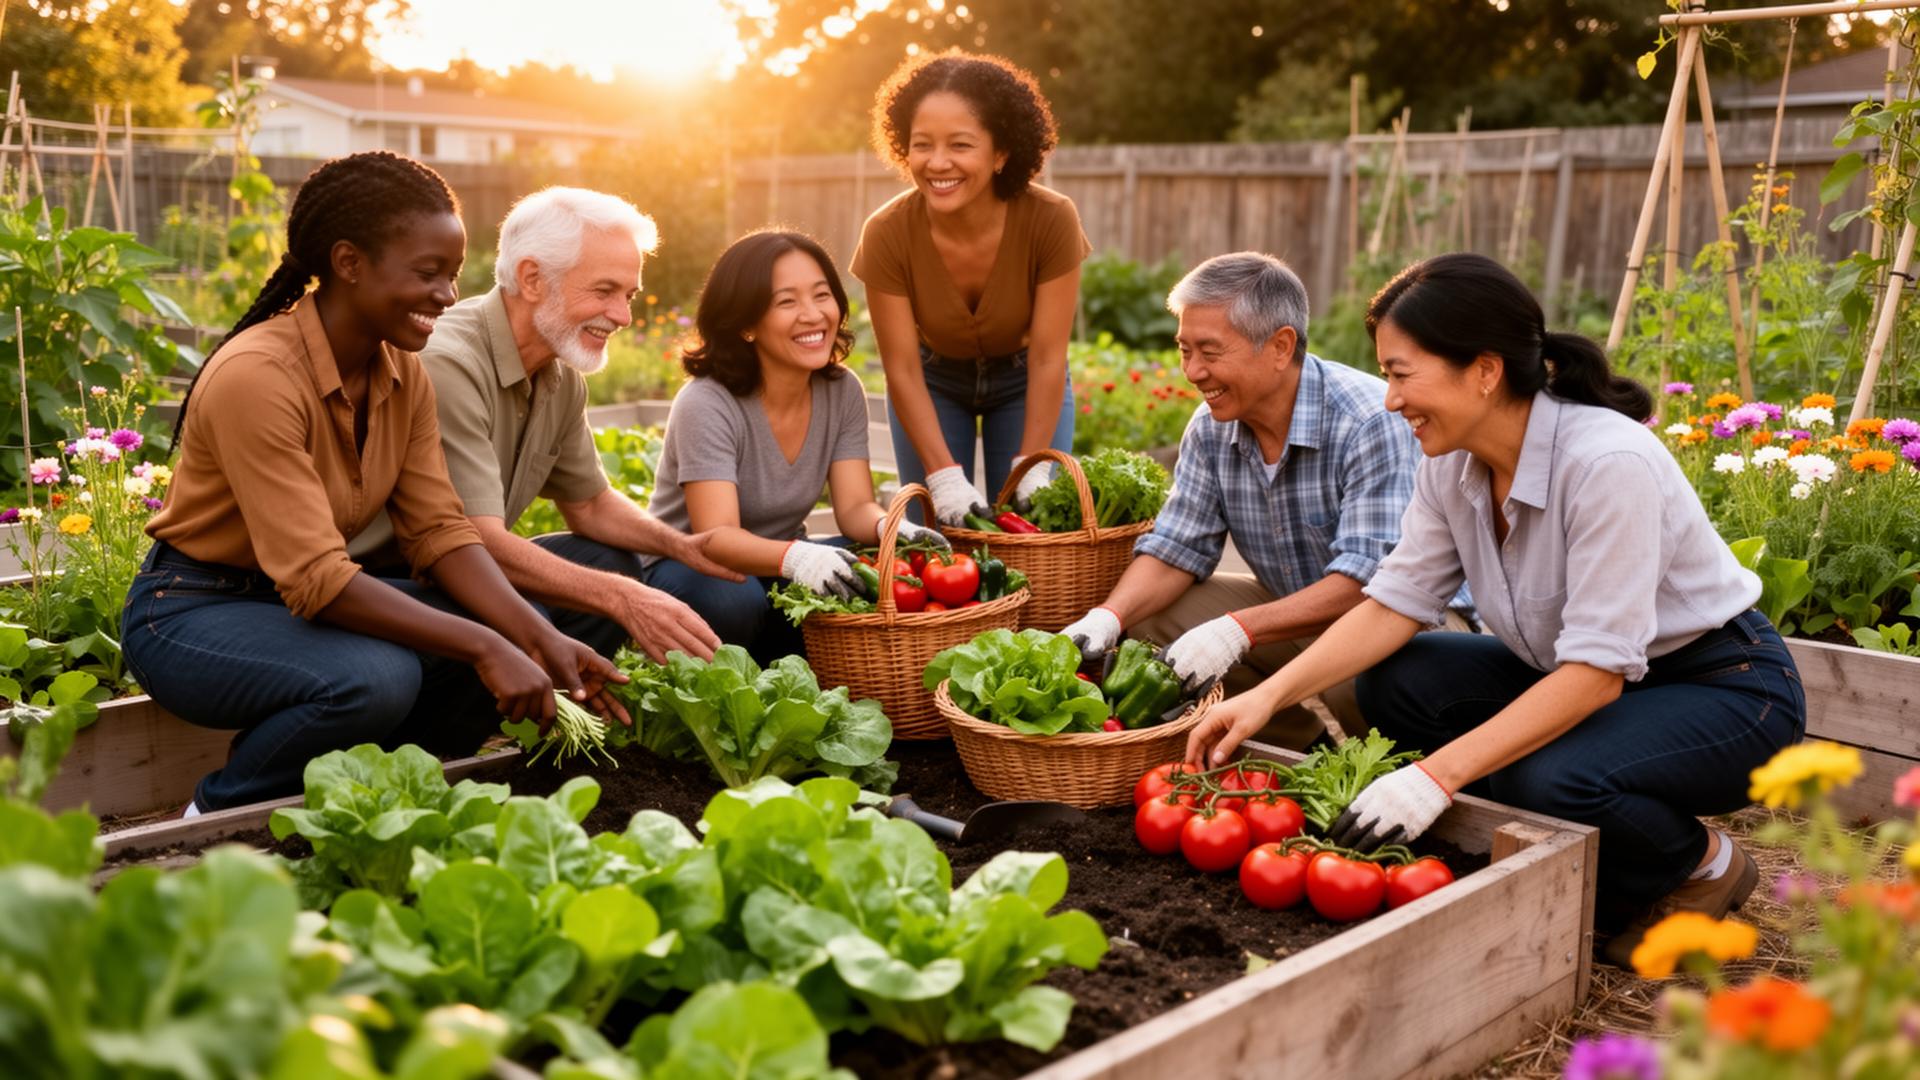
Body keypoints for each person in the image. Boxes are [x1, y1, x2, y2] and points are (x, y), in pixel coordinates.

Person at [1186, 253, 1803, 963]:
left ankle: (1698, 862)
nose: (1390, 400)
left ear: (1483, 370)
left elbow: (1597, 674)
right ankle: (1554, 847)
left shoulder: (1607, 465)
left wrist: (1433, 776)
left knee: (1547, 777)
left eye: (1401, 373)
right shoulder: (1451, 463)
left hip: (1723, 687)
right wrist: (1266, 696)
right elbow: (1393, 603)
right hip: (1582, 676)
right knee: (1397, 679)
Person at [124, 151, 620, 813]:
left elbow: (440, 534)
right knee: (374, 678)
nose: (448, 296)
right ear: (349, 263)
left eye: (453, 274)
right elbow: (318, 578)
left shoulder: (400, 370)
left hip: (288, 604)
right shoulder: (259, 377)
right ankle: (219, 813)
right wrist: (488, 643)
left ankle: (396, 792)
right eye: (428, 273)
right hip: (191, 612)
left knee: (543, 609)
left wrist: (538, 635)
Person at [1060, 252, 1457, 749]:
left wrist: (1236, 630)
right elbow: (1175, 547)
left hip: (1411, 622)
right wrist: (1109, 617)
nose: (1193, 371)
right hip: (1297, 610)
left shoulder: (1367, 421)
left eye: (1210, 351)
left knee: (1355, 678)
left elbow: (1371, 584)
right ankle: (1295, 749)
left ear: (1279, 346)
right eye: (1184, 350)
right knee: (1152, 616)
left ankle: (1390, 773)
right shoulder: (1210, 427)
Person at [349, 186, 736, 664]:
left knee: (608, 562)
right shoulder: (448, 364)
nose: (623, 315)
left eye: (629, 294)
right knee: (550, 606)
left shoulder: (559, 373)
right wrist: (620, 597)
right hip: (375, 587)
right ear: (532, 279)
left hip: (455, 574)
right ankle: (446, 729)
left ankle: (552, 717)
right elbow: (474, 540)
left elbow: (590, 504)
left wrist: (682, 545)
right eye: (605, 290)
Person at [646, 230, 947, 662]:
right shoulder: (707, 402)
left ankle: (792, 660)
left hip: (779, 560)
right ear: (746, 323)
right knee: (738, 602)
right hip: (690, 568)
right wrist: (798, 559)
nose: (813, 315)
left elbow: (855, 507)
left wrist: (892, 531)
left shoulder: (840, 390)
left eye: (821, 295)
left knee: (871, 571)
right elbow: (715, 538)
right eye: (786, 302)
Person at [852, 50, 1090, 526]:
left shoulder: (1051, 219)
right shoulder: (887, 233)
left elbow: (1047, 355)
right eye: (922, 144)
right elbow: (900, 367)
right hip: (933, 381)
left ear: (1001, 152)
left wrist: (1031, 469)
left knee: (1033, 526)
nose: (938, 163)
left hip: (1026, 379)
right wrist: (941, 476)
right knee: (938, 532)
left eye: (960, 145)